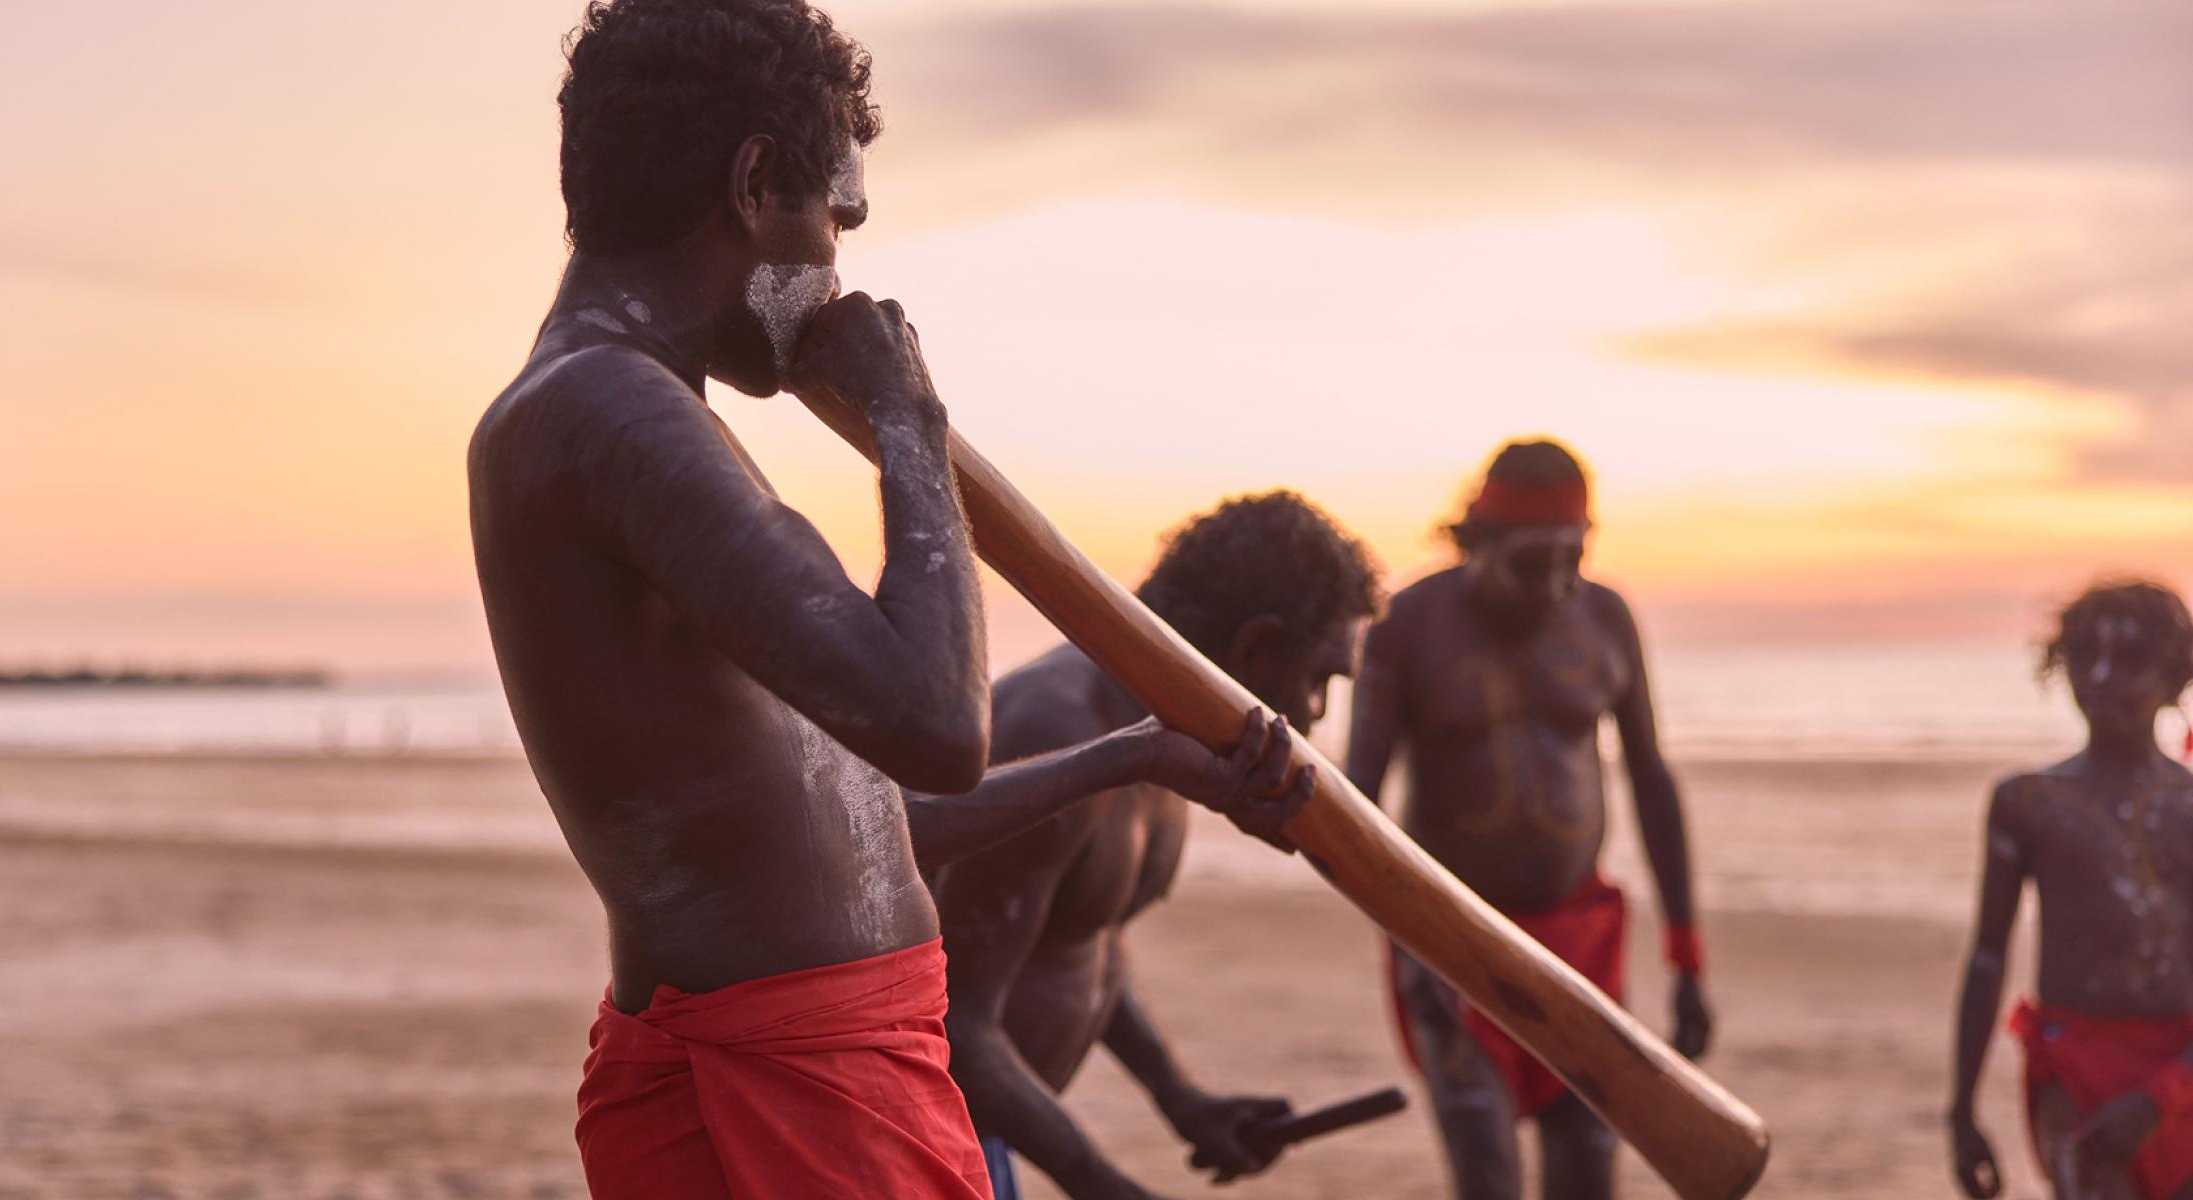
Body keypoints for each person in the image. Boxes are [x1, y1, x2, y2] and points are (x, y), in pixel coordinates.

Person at [468, 3, 1296, 1195]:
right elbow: (940, 725)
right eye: (835, 220)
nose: (835, 274)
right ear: (756, 183)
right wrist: (909, 419)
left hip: (814, 1065)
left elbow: (856, 819)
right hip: (807, 1082)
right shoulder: (609, 412)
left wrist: (1131, 758)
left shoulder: (618, 412)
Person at [929, 492, 1381, 1200]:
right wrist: (1102, 1185)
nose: (1317, 713)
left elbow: (1080, 937)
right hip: (914, 1143)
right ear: (1256, 647)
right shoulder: (1059, 729)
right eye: (1320, 679)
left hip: (980, 1142)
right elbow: (953, 1021)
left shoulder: (1167, 744)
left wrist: (1179, 1098)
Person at [1345, 439, 1711, 1200]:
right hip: (1454, 943)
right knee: (1486, 1166)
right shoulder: (1408, 624)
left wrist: (1686, 955)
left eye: (1570, 559)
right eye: (1529, 564)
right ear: (1477, 542)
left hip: (1582, 945)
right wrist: (1416, 945)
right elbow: (1356, 809)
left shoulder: (1604, 617)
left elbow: (1650, 779)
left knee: (1588, 1165)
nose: (1553, 586)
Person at [1949, 580, 2193, 1200]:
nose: (2102, 676)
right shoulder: (2028, 803)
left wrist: (2161, 1097)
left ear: (2177, 678)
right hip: (2072, 1064)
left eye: (2132, 659)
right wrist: (1961, 1109)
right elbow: (1988, 956)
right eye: (2086, 656)